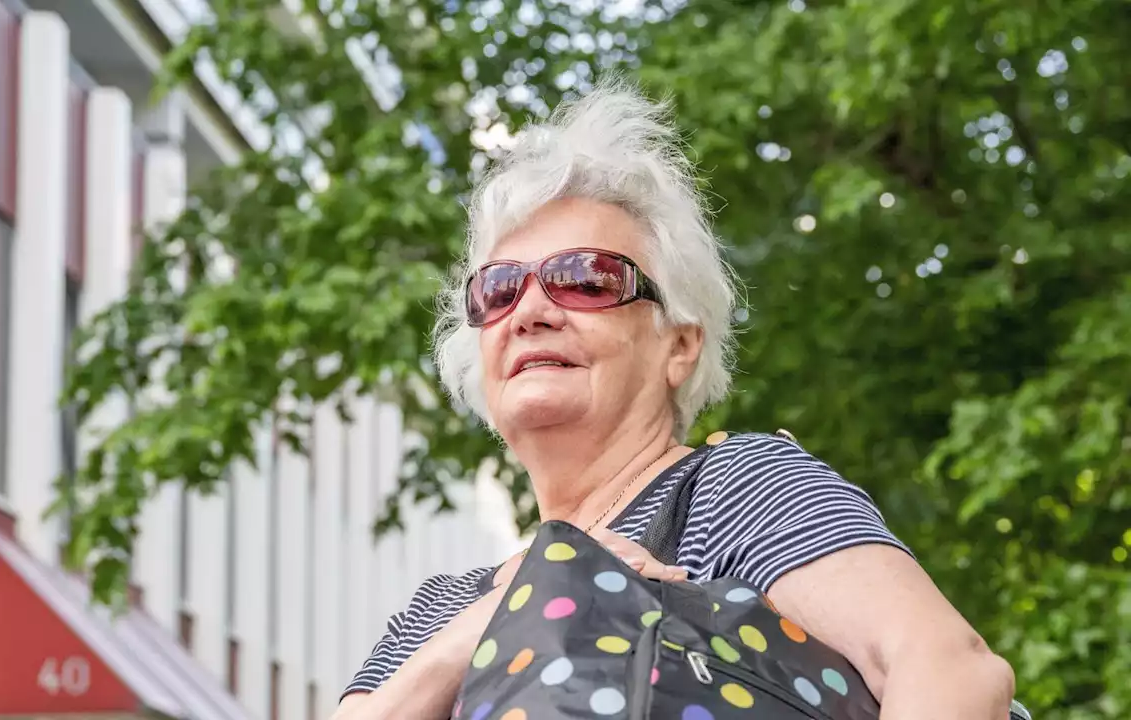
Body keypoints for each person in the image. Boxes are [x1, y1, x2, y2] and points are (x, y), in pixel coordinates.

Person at [332, 79, 1016, 719]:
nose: (530, 310)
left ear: (679, 345)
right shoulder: (438, 610)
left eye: (587, 280)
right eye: (499, 289)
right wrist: (488, 624)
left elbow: (947, 668)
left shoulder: (732, 492)